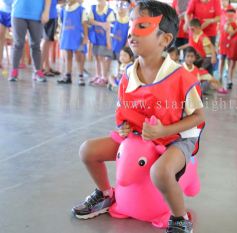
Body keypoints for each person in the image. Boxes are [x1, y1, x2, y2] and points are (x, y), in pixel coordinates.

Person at [72, 2, 205, 233]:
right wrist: (122, 127)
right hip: (136, 137)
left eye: (142, 26)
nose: (132, 32)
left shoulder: (182, 77)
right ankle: (105, 194)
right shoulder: (127, 76)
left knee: (160, 172)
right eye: (132, 25)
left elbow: (198, 117)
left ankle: (180, 217)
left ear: (165, 39)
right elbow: (122, 111)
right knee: (88, 151)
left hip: (176, 138)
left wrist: (164, 131)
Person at [9, 0, 51, 82]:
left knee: (36, 45)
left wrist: (46, 11)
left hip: (36, 15)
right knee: (18, 44)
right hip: (18, 13)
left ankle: (37, 71)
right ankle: (14, 71)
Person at [57, 0, 88, 85]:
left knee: (79, 56)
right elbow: (62, 23)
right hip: (67, 36)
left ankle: (81, 76)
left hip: (77, 37)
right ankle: (68, 76)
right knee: (68, 56)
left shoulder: (81, 10)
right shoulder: (63, 9)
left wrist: (85, 36)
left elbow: (85, 24)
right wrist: (60, 35)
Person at [88, 0, 115, 86]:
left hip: (103, 39)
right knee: (96, 56)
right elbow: (91, 21)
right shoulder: (93, 8)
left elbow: (108, 28)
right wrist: (102, 24)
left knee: (101, 57)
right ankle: (98, 75)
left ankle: (104, 77)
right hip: (95, 37)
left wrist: (108, 42)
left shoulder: (109, 11)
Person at [107, 0, 131, 85]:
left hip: (122, 48)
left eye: (124, 5)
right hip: (112, 46)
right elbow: (108, 31)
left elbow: (129, 36)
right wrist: (108, 43)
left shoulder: (129, 21)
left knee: (122, 64)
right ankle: (109, 80)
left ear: (128, 7)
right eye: (119, 4)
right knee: (109, 63)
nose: (121, 7)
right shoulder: (113, 17)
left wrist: (126, 47)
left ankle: (121, 81)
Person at [41, 0, 61, 77]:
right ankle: (40, 68)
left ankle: (47, 67)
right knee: (46, 42)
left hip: (50, 14)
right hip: (48, 15)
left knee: (47, 42)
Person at [217, 0, 234, 85]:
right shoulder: (220, 11)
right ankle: (219, 76)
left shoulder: (233, 11)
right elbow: (218, 24)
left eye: (225, 0)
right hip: (222, 38)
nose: (223, 2)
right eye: (222, 0)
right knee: (221, 59)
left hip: (231, 39)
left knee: (230, 60)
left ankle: (229, 78)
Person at [0, 0, 14, 71]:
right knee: (0, 37)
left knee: (16, 39)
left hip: (14, 12)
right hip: (2, 11)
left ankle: (16, 65)